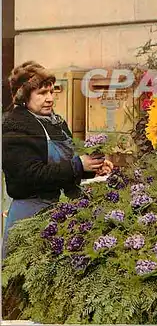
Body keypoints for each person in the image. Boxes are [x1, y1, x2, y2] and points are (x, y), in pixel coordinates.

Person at [2, 61, 104, 257]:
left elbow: (68, 160)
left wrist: (91, 167)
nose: (49, 98)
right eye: (41, 93)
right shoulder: (15, 127)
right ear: (24, 96)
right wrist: (77, 165)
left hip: (60, 212)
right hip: (31, 214)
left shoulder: (55, 121)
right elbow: (30, 174)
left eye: (51, 91)